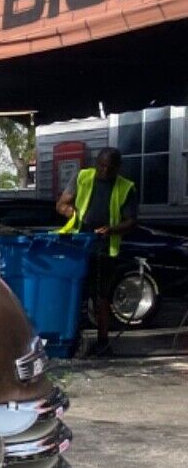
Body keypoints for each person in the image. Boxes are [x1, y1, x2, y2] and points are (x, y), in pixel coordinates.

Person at [56, 147, 137, 354]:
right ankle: (71, 338)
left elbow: (131, 222)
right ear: (96, 163)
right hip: (78, 244)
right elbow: (61, 204)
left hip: (105, 248)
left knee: (101, 297)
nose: (104, 170)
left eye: (109, 167)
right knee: (75, 293)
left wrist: (112, 230)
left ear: (118, 168)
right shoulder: (83, 177)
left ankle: (103, 343)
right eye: (101, 165)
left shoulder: (126, 188)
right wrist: (69, 210)